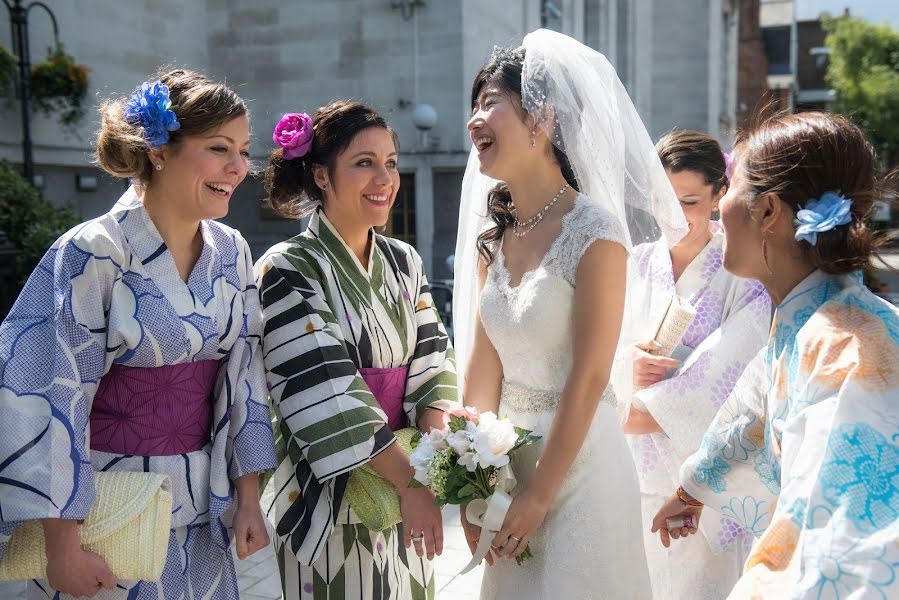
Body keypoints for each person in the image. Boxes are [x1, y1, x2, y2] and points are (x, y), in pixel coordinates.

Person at [0, 69, 278, 598]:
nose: (238, 167)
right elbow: (50, 394)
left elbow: (244, 377)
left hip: (205, 508)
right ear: (159, 150)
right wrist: (62, 547)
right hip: (107, 512)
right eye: (219, 148)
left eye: (243, 150)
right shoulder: (92, 251)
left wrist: (247, 496)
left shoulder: (232, 250)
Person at [452, 30, 688, 600]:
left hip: (581, 471)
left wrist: (538, 497)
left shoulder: (595, 233)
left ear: (542, 121)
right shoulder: (495, 242)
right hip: (508, 469)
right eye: (473, 106)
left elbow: (589, 377)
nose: (474, 121)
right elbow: (482, 374)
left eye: (491, 103)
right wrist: (470, 485)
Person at [652, 112, 899, 599]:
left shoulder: (845, 345)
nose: (720, 206)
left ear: (767, 211)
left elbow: (843, 548)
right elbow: (754, 415)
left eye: (732, 187)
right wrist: (694, 488)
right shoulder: (821, 320)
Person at [256, 101, 457, 600]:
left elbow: (433, 363)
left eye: (390, 162)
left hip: (410, 473)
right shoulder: (288, 266)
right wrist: (411, 485)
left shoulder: (403, 260)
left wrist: (427, 471)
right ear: (322, 175)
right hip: (328, 491)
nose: (384, 177)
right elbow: (324, 387)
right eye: (364, 162)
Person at [622, 131, 771, 598]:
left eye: (687, 201)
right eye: (662, 202)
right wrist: (629, 364)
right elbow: (604, 345)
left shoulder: (742, 269)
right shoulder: (637, 263)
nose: (672, 217)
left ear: (719, 195)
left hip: (706, 474)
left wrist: (642, 408)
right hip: (635, 467)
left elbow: (737, 369)